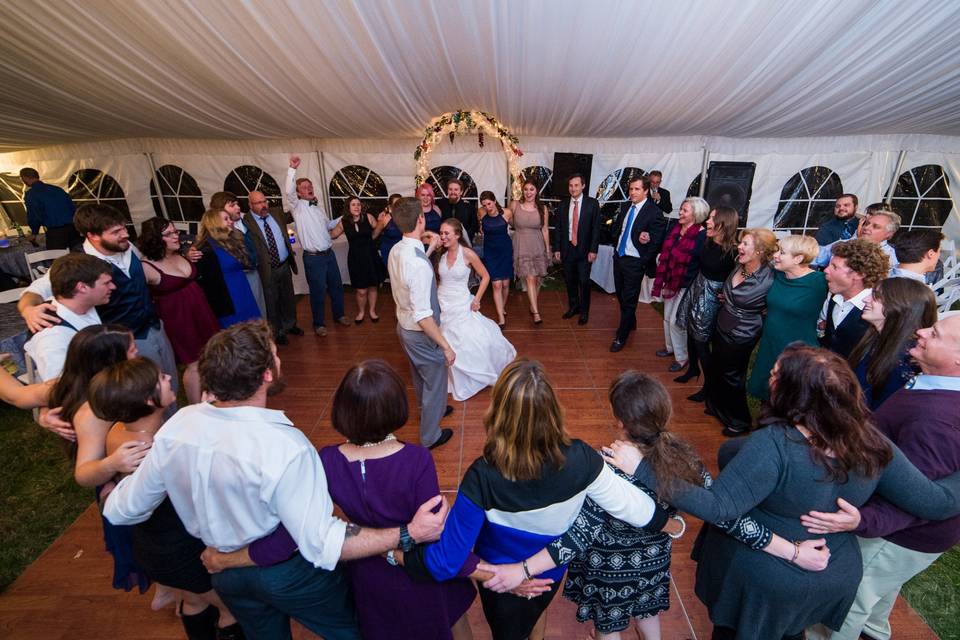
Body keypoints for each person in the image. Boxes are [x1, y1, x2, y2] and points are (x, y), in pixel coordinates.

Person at [103, 320, 449, 640]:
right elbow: (321, 543)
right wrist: (408, 533)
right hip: (288, 574)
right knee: (351, 631)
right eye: (276, 355)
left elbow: (121, 510)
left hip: (223, 570)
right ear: (267, 374)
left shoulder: (178, 427)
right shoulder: (287, 446)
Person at [613, 344, 960, 640]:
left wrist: (642, 469)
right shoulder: (871, 442)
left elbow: (719, 507)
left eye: (778, 375)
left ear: (799, 396)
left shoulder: (775, 445)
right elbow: (938, 502)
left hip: (765, 578)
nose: (770, 378)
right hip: (831, 572)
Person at [487, 371, 829, 640]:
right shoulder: (685, 457)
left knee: (609, 626)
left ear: (620, 421)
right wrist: (792, 551)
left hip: (609, 569)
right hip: (652, 562)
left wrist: (526, 568)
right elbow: (727, 515)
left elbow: (579, 533)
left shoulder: (603, 463)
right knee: (648, 615)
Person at [401, 359, 678, 640]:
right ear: (553, 410)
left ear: (498, 412)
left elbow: (448, 560)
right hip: (550, 571)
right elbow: (639, 510)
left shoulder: (482, 475)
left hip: (500, 580)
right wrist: (672, 525)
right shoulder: (583, 459)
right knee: (536, 613)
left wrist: (398, 553)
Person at [205, 359, 479, 639]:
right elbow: (435, 533)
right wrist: (479, 568)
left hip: (366, 573)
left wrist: (232, 559)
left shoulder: (327, 459)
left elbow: (295, 533)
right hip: (416, 569)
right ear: (397, 405)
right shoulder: (416, 459)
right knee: (446, 617)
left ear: (343, 409)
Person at [802, 314, 960, 640]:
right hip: (906, 532)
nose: (921, 331)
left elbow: (918, 495)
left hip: (896, 535)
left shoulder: (938, 420)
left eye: (936, 333)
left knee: (844, 603)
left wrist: (862, 520)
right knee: (875, 602)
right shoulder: (937, 388)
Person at [91, 358, 244, 640]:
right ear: (149, 400)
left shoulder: (118, 432)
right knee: (233, 610)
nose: (169, 378)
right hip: (183, 550)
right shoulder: (158, 448)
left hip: (151, 547)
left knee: (194, 601)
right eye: (160, 378)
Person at [17, 203, 180, 404]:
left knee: (169, 386)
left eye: (124, 227)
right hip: (126, 342)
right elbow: (34, 291)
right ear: (92, 235)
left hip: (155, 327)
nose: (125, 234)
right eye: (116, 231)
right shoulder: (78, 264)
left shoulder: (128, 248)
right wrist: (28, 309)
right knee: (146, 395)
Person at [44, 325, 153, 594]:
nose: (136, 350)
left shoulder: (112, 390)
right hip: (117, 487)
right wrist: (112, 464)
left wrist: (43, 415)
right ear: (110, 361)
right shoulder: (92, 412)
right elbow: (83, 473)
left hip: (134, 482)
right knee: (148, 550)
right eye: (130, 348)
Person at [387, 197, 455, 450]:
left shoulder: (397, 250)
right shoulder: (417, 264)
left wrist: (429, 251)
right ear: (420, 220)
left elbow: (409, 274)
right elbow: (423, 316)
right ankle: (430, 436)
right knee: (436, 374)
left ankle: (430, 408)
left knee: (419, 374)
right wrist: (445, 345)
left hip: (403, 326)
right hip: (418, 330)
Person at [429, 218, 516, 401]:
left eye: (446, 233)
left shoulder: (467, 254)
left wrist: (476, 299)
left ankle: (476, 372)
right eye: (441, 233)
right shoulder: (439, 254)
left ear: (457, 235)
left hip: (462, 302)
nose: (443, 237)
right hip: (443, 302)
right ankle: (449, 376)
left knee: (472, 340)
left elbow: (485, 276)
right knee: (443, 339)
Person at [137, 217, 220, 405]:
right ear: (155, 239)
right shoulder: (146, 267)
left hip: (201, 310)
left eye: (176, 232)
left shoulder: (180, 254)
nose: (176, 236)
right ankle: (196, 410)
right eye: (169, 234)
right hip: (178, 318)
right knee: (194, 364)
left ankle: (213, 397)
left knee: (210, 355)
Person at [705, 228, 777, 436]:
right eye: (741, 243)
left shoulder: (769, 278)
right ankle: (719, 408)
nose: (740, 247)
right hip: (723, 324)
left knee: (733, 376)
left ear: (760, 251)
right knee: (717, 368)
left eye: (745, 244)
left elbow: (772, 303)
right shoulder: (740, 266)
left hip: (743, 332)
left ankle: (739, 421)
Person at [746, 234, 827, 401]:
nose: (775, 255)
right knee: (767, 392)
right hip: (770, 343)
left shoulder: (819, 282)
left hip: (796, 349)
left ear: (798, 258)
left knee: (789, 397)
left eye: (782, 252)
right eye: (777, 250)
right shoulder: (778, 275)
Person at [674, 206, 739, 394]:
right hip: (697, 288)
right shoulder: (707, 241)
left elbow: (738, 277)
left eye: (711, 219)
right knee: (690, 331)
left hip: (711, 297)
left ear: (723, 224)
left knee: (702, 341)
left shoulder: (732, 252)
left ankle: (708, 387)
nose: (707, 222)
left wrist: (727, 294)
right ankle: (692, 369)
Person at [23, 253, 113, 382]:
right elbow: (64, 391)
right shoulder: (53, 337)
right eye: (107, 283)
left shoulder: (82, 304)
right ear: (82, 287)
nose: (113, 287)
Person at [286, 155, 350, 336]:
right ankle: (319, 323)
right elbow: (288, 192)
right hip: (313, 258)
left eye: (310, 186)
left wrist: (343, 217)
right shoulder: (297, 207)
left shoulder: (318, 206)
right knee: (318, 292)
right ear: (298, 193)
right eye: (304, 187)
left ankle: (339, 315)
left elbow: (328, 226)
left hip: (328, 255)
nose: (309, 188)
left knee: (337, 286)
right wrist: (292, 169)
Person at [847, 278, 934, 409]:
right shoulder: (877, 338)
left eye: (876, 296)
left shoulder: (906, 361)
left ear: (899, 305)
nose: (865, 299)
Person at [609, 175, 668, 352]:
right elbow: (619, 229)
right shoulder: (626, 206)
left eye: (636, 189)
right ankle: (630, 320)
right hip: (619, 257)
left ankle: (621, 336)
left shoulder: (654, 212)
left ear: (646, 191)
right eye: (631, 189)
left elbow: (657, 241)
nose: (632, 192)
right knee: (620, 294)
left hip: (635, 262)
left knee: (629, 299)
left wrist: (643, 260)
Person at [651, 196, 708, 364]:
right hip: (671, 281)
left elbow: (700, 264)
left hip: (686, 285)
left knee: (677, 322)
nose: (680, 213)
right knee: (667, 317)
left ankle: (682, 358)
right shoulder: (676, 229)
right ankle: (670, 348)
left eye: (685, 210)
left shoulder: (701, 236)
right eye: (681, 209)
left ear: (696, 214)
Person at [243, 190, 303, 344]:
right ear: (250, 205)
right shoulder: (247, 221)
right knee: (272, 302)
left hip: (284, 264)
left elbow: (294, 212)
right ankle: (278, 332)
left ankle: (290, 324)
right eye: (258, 203)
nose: (263, 205)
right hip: (266, 269)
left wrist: (301, 198)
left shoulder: (276, 213)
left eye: (265, 201)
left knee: (288, 297)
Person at [819, 239, 889, 359]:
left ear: (859, 274)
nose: (826, 270)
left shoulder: (879, 312)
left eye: (834, 267)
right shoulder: (834, 296)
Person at [194, 208, 262, 329]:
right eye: (226, 219)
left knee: (252, 326)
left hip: (243, 291)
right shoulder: (205, 249)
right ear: (215, 223)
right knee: (238, 332)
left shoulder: (230, 240)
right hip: (228, 299)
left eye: (230, 218)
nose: (231, 221)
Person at [553, 174, 601, 325]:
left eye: (576, 185)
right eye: (571, 186)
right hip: (567, 250)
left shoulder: (592, 204)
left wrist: (593, 250)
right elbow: (559, 228)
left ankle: (584, 312)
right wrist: (557, 248)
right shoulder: (563, 204)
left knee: (584, 281)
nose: (573, 188)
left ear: (583, 186)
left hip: (585, 251)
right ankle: (574, 306)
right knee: (570, 281)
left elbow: (596, 229)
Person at [211, 191, 266, 317]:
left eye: (237, 204)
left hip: (254, 272)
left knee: (260, 310)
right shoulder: (216, 236)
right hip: (240, 278)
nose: (238, 207)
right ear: (219, 210)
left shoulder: (245, 221)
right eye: (232, 205)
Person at [331, 196, 383, 323]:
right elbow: (333, 235)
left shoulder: (368, 217)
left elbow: (377, 231)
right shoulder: (344, 222)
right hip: (356, 259)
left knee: (373, 286)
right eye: (353, 204)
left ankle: (372, 311)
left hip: (371, 256)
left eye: (358, 204)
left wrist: (382, 222)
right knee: (361, 290)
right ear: (348, 207)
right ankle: (361, 312)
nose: (356, 207)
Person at [509, 179, 552, 325]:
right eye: (526, 189)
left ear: (537, 191)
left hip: (538, 244)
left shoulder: (543, 208)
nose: (528, 192)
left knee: (538, 278)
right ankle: (536, 312)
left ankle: (532, 304)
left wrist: (547, 249)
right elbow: (502, 215)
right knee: (530, 278)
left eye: (531, 189)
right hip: (521, 244)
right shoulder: (515, 205)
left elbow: (545, 229)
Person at [813, 210, 900, 271]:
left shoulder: (892, 258)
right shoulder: (843, 244)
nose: (866, 228)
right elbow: (814, 256)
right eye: (867, 223)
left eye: (875, 226)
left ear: (889, 234)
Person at [19, 167, 82, 249]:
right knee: (78, 258)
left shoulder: (31, 194)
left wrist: (34, 232)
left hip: (56, 233)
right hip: (74, 229)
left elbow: (33, 215)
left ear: (25, 178)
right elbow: (72, 207)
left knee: (57, 260)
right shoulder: (57, 189)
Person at [478, 191, 514, 326]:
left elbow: (515, 225)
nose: (487, 207)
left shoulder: (507, 213)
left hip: (505, 250)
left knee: (505, 284)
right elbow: (481, 227)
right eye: (484, 205)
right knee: (496, 284)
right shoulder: (481, 213)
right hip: (490, 252)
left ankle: (502, 306)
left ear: (494, 201)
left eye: (489, 203)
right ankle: (501, 317)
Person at [439, 178, 479, 243]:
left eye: (456, 189)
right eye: (450, 189)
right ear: (447, 191)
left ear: (461, 192)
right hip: (444, 242)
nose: (453, 192)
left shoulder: (469, 207)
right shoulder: (441, 204)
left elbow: (474, 227)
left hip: (463, 243)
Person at [375, 193, 404, 268]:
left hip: (403, 252)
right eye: (396, 204)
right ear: (390, 206)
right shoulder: (385, 218)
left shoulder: (406, 217)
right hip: (389, 252)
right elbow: (374, 235)